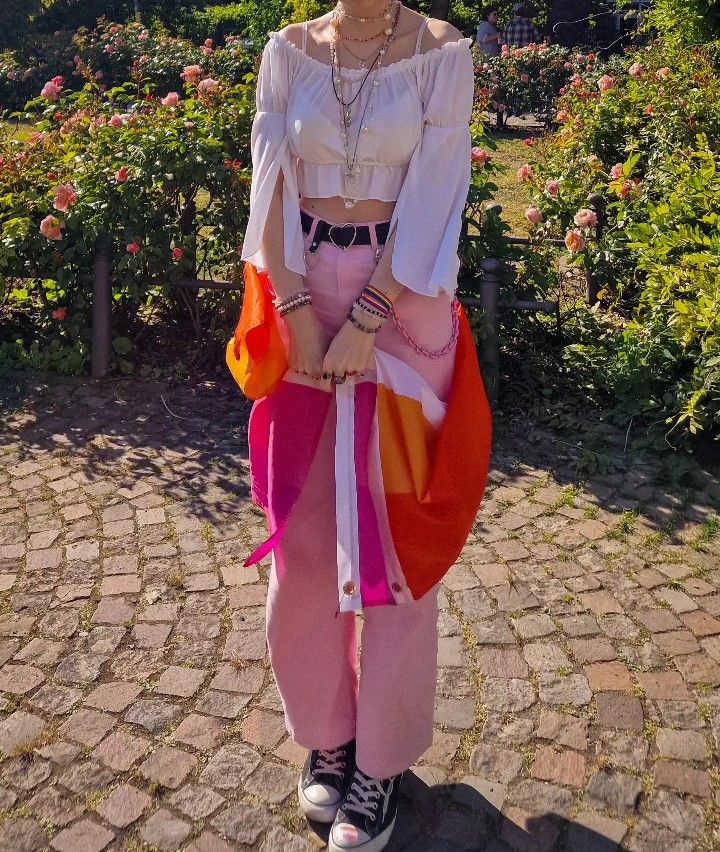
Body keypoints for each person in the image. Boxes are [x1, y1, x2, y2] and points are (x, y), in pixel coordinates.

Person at [238, 2, 492, 850]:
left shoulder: (442, 53)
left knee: (394, 547)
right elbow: (269, 179)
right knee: (304, 546)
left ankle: (380, 765)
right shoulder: (287, 51)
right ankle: (330, 739)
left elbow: (436, 189)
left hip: (406, 303)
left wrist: (368, 315)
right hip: (300, 294)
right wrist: (301, 309)